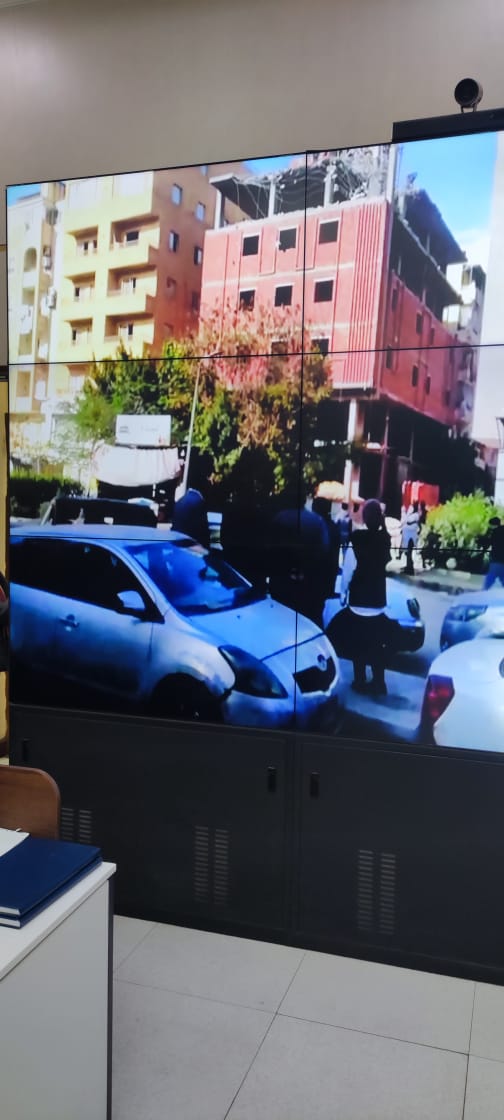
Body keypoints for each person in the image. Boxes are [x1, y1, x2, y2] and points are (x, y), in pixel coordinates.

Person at [333, 498, 392, 696]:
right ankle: (379, 682)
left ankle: (359, 680)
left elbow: (348, 570)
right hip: (377, 601)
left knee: (358, 644)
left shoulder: (357, 538)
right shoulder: (385, 539)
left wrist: (343, 593)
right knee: (377, 645)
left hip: (358, 600)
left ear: (365, 517)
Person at [484, 516, 504, 589]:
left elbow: (489, 543)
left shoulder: (495, 532)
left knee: (491, 576)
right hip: (502, 559)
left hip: (497, 558)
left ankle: (485, 591)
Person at [401, 501, 420, 575]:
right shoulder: (412, 515)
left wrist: (407, 514)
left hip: (411, 536)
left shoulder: (415, 515)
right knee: (408, 553)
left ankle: (410, 568)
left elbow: (408, 520)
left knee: (410, 553)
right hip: (407, 536)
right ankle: (408, 566)